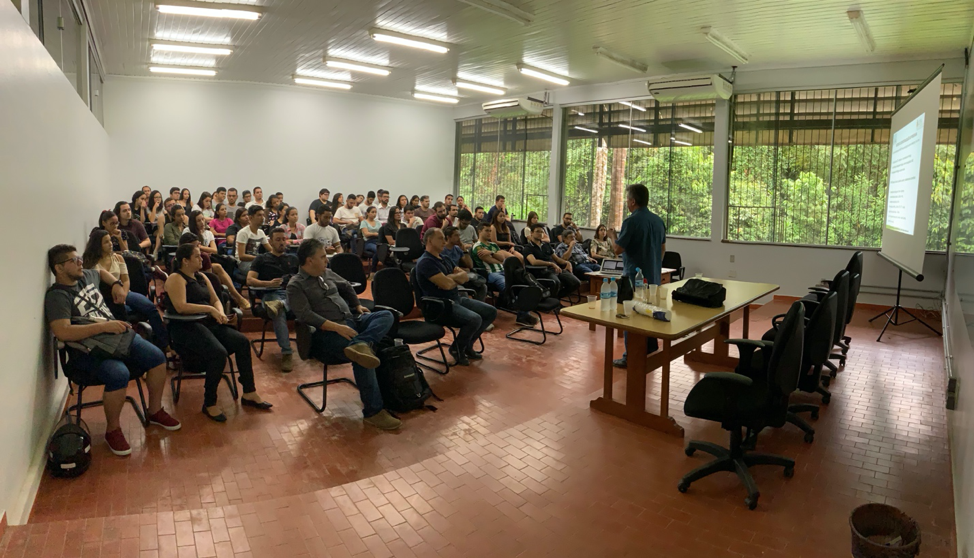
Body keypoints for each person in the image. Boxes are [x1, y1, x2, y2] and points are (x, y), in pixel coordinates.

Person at [46, 244, 180, 456]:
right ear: (59, 268)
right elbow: (63, 332)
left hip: (117, 337)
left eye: (80, 258)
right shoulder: (58, 296)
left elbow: (100, 272)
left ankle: (154, 410)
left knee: (156, 357)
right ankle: (113, 430)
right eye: (74, 260)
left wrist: (117, 284)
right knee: (119, 373)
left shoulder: (85, 276)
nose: (81, 262)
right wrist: (104, 326)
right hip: (88, 349)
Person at [287, 239, 400, 430]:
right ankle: (373, 412)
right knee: (361, 357)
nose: (326, 260)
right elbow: (305, 315)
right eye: (322, 257)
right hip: (325, 335)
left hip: (351, 322)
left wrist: (357, 305)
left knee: (387, 316)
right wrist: (336, 327)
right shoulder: (295, 285)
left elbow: (347, 286)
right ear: (309, 260)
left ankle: (361, 344)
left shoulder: (326, 273)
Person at [166, 244, 272, 422]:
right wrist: (210, 309)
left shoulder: (201, 277)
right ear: (185, 261)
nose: (202, 259)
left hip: (207, 323)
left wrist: (220, 312)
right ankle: (209, 403)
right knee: (218, 354)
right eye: (197, 256)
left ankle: (249, 392)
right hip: (186, 328)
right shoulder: (175, 278)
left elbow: (216, 299)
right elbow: (180, 306)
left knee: (242, 342)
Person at [415, 229, 497, 366]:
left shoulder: (444, 258)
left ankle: (466, 346)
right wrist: (452, 279)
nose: (444, 241)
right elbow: (447, 285)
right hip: (439, 306)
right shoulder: (426, 262)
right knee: (474, 319)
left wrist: (450, 278)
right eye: (440, 238)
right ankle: (457, 349)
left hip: (455, 299)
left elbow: (465, 277)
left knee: (490, 311)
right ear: (429, 241)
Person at [82, 230, 169, 349]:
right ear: (98, 245)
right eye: (106, 242)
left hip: (124, 291)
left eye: (110, 241)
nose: (111, 244)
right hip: (103, 296)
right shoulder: (90, 263)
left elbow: (126, 280)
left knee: (150, 308)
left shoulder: (118, 258)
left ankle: (164, 343)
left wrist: (123, 293)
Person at [612, 183, 666, 368]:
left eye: (627, 199)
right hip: (653, 277)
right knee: (649, 312)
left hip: (633, 278)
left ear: (633, 201)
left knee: (630, 315)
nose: (627, 203)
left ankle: (631, 356)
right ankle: (650, 349)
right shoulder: (658, 221)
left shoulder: (631, 221)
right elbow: (662, 249)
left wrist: (612, 236)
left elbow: (618, 249)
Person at [246, 229, 297, 371]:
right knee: (277, 309)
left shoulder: (293, 259)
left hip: (290, 292)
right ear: (270, 242)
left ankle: (312, 345)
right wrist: (267, 283)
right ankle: (287, 352)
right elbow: (249, 280)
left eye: (283, 239)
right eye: (278, 240)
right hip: (270, 293)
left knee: (311, 301)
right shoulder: (261, 259)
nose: (282, 243)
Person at [470, 223, 537, 327]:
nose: (489, 233)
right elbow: (488, 260)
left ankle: (523, 314)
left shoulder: (493, 245)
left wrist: (491, 253)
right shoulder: (477, 246)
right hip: (491, 273)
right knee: (509, 288)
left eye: (490, 231)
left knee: (524, 284)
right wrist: (497, 258)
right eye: (486, 230)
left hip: (504, 271)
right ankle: (513, 305)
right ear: (479, 231)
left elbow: (501, 258)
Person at [178, 232, 250, 310]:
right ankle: (236, 298)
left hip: (203, 288)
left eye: (198, 245)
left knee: (222, 292)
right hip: (189, 292)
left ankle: (236, 298)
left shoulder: (204, 257)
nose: (198, 249)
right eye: (194, 246)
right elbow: (180, 306)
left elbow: (208, 280)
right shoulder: (177, 266)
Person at [523, 223, 580, 298]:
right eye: (537, 231)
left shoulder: (546, 245)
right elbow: (533, 262)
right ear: (531, 233)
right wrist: (550, 264)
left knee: (576, 283)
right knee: (556, 282)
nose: (540, 233)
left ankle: (556, 299)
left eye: (542, 232)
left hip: (555, 269)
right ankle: (554, 302)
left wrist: (567, 262)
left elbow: (556, 259)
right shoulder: (528, 248)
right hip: (542, 271)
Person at [441, 225, 488, 304]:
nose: (459, 238)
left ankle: (478, 308)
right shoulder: (442, 250)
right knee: (463, 292)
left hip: (461, 276)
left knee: (482, 287)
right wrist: (461, 270)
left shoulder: (457, 249)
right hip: (452, 278)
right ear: (448, 237)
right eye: (456, 235)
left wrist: (464, 250)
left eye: (459, 235)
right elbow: (447, 270)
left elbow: (470, 265)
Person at [235, 205, 272, 277]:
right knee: (265, 271)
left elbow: (270, 249)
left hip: (257, 261)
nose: (262, 218)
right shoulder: (243, 233)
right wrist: (260, 258)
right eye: (259, 215)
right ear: (250, 217)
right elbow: (241, 256)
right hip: (244, 263)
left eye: (263, 215)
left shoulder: (261, 232)